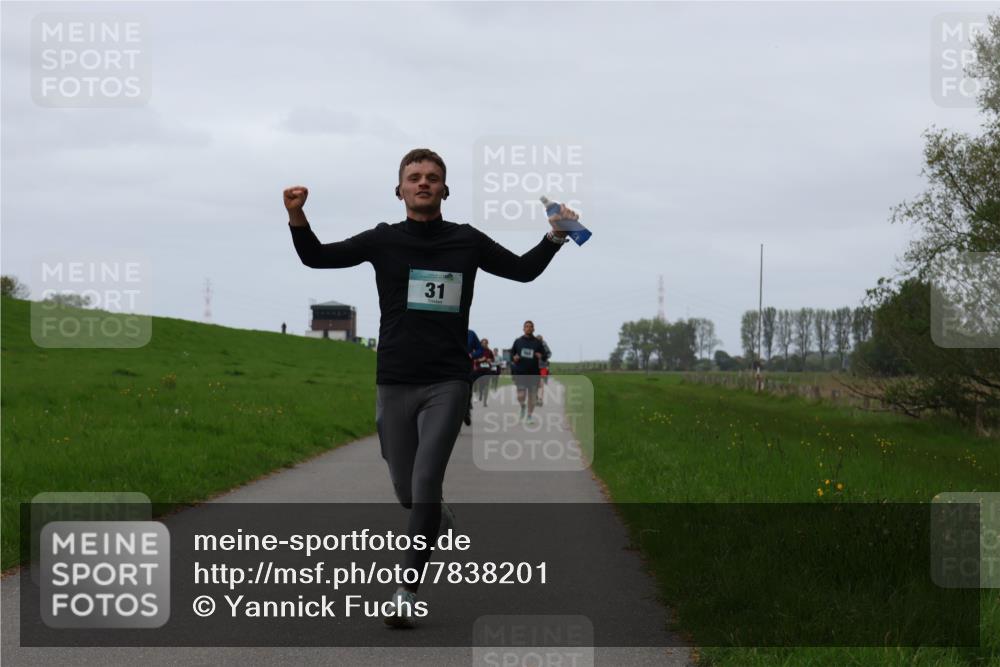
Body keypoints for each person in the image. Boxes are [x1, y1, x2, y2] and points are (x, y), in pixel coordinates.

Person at [285, 148, 578, 628]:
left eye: (433, 177)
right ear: (399, 189)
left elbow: (523, 270)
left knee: (424, 485)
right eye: (414, 177)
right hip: (395, 380)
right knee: (406, 490)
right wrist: (297, 214)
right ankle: (433, 517)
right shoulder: (383, 241)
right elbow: (317, 258)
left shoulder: (466, 241)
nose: (423, 183)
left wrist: (555, 237)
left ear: (445, 189)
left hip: (447, 380)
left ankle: (406, 590)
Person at [510, 320, 546, 424]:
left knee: (532, 396)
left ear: (533, 329)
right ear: (523, 328)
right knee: (520, 395)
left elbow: (545, 355)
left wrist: (541, 356)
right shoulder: (518, 341)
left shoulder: (538, 342)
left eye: (530, 326)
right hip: (521, 372)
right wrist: (514, 357)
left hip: (534, 373)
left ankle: (529, 416)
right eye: (526, 326)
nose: (528, 328)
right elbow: (512, 354)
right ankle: (523, 406)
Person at [473, 338, 496, 406]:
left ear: (487, 344)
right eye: (483, 343)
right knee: (478, 385)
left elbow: (493, 360)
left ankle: (485, 402)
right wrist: (480, 360)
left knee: (486, 386)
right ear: (480, 344)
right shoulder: (477, 351)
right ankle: (478, 395)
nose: (484, 344)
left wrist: (490, 360)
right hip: (479, 370)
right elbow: (474, 360)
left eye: (485, 343)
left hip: (487, 371)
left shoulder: (489, 351)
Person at [536, 334, 552, 406]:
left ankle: (540, 399)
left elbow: (549, 354)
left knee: (541, 383)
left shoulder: (544, 345)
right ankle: (537, 397)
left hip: (543, 367)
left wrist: (544, 357)